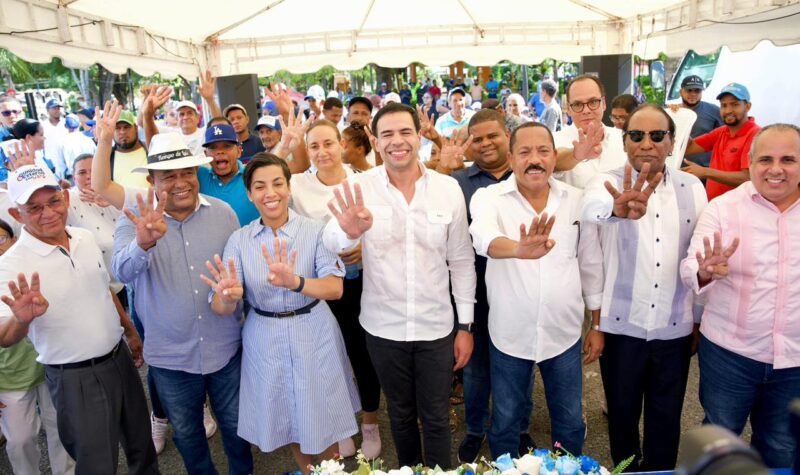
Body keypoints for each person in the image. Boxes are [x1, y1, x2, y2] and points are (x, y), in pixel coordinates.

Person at [324, 103, 476, 468]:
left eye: (405, 132)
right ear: (375, 141)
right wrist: (347, 232)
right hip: (383, 327)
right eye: (387, 134)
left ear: (419, 136)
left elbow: (461, 260)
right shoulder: (358, 187)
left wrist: (465, 325)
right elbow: (330, 241)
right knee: (401, 416)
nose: (397, 141)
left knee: (437, 417)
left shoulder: (446, 189)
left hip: (436, 326)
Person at [203, 153, 359, 474]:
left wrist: (296, 282)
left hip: (313, 329)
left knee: (322, 414)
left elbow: (334, 288)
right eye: (259, 186)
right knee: (289, 414)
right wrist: (226, 296)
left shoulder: (316, 231)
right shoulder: (240, 239)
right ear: (250, 194)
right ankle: (306, 471)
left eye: (277, 183)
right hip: (265, 334)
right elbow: (221, 307)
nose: (269, 193)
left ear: (289, 188)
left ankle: (328, 471)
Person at [0, 158, 156, 474]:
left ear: (65, 197)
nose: (49, 213)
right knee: (96, 463)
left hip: (119, 358)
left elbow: (104, 287)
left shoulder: (83, 238)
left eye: (54, 201)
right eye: (35, 208)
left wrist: (129, 330)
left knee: (142, 447)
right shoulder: (10, 264)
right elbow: (5, 337)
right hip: (74, 376)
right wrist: (23, 319)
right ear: (17, 214)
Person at [112, 132, 253, 475]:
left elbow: (235, 273)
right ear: (152, 181)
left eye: (187, 172)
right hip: (171, 357)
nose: (180, 183)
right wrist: (142, 244)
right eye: (168, 176)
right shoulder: (134, 218)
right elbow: (120, 271)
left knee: (236, 426)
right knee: (188, 433)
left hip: (225, 348)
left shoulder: (223, 213)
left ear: (196, 173)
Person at [580, 105, 708, 471]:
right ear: (625, 142)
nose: (647, 143)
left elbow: (699, 256)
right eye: (637, 135)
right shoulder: (604, 183)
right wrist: (597, 323)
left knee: (667, 418)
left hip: (675, 326)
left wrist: (697, 318)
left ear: (671, 142)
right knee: (621, 417)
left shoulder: (692, 188)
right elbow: (591, 219)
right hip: (622, 327)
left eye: (657, 136)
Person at [470, 122, 602, 459]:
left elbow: (589, 262)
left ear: (555, 157)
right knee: (506, 421)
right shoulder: (490, 198)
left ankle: (569, 467)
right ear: (512, 158)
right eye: (525, 152)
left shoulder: (575, 200)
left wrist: (597, 324)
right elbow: (482, 238)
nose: (535, 160)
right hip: (510, 334)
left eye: (543, 151)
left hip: (565, 332)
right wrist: (518, 249)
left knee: (570, 420)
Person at [681, 123, 800, 469]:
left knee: (781, 447)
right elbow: (690, 268)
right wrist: (704, 270)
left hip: (794, 359)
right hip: (730, 354)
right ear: (750, 162)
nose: (775, 169)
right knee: (720, 443)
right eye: (765, 159)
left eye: (788, 159)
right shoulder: (723, 209)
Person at [285, 120, 383, 457]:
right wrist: (286, 143)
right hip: (322, 287)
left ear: (341, 144)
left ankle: (370, 421)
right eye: (314, 146)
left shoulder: (365, 182)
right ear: (307, 151)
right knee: (330, 357)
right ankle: (343, 424)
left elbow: (384, 229)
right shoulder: (297, 184)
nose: (322, 152)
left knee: (363, 354)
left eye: (328, 144)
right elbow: (259, 180)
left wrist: (366, 249)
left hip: (362, 283)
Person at [448, 110, 516, 463]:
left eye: (493, 136)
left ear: (508, 135)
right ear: (469, 143)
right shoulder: (458, 181)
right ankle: (476, 429)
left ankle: (516, 428)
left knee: (517, 364)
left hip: (519, 289)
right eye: (478, 139)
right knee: (474, 368)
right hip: (473, 291)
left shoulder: (528, 174)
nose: (486, 143)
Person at [0, 217, 76, 475]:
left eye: (1, 239)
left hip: (50, 365)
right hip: (8, 377)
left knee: (61, 428)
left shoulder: (33, 267)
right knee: (20, 440)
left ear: (13, 238)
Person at [682, 83, 760, 201]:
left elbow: (748, 178)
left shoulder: (755, 135)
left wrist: (705, 172)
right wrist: (677, 118)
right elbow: (688, 148)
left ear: (748, 106)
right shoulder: (722, 132)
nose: (728, 110)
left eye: (735, 104)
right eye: (724, 105)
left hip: (740, 211)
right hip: (715, 207)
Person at [553, 74, 627, 189]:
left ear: (603, 103)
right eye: (577, 104)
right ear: (568, 109)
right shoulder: (555, 140)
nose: (586, 110)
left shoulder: (623, 138)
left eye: (593, 102)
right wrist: (575, 155)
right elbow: (552, 161)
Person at [198, 123, 260, 226]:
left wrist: (284, 147)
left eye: (227, 146)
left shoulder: (253, 175)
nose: (220, 152)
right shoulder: (200, 176)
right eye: (213, 147)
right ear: (205, 154)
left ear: (239, 151)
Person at [673, 75, 723, 169]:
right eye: (689, 90)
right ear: (681, 92)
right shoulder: (673, 112)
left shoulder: (714, 110)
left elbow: (726, 136)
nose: (693, 94)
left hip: (705, 171)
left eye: (697, 90)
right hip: (677, 168)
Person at [109, 110, 150, 189]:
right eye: (117, 128)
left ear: (136, 128)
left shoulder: (150, 150)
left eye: (127, 127)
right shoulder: (107, 157)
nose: (122, 132)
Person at [56, 115, 96, 181]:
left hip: (74, 178)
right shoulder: (88, 140)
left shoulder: (62, 142)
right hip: (92, 175)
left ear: (65, 126)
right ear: (80, 124)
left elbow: (60, 167)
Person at [40, 99, 66, 172]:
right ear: (48, 110)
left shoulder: (66, 122)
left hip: (68, 158)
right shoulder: (43, 126)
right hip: (53, 160)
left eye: (58, 108)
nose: (57, 110)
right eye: (54, 108)